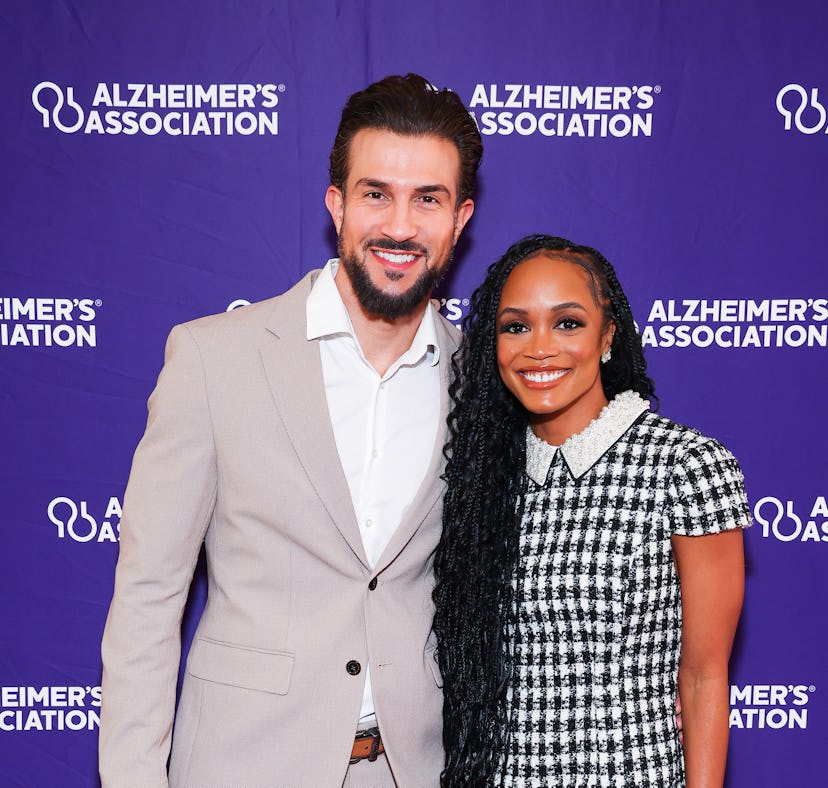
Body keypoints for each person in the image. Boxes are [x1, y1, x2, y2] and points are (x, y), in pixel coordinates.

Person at [99, 73, 480, 788]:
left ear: (459, 219)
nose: (400, 226)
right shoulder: (214, 358)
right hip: (244, 766)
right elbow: (148, 598)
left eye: (426, 199)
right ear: (336, 204)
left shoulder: (481, 381)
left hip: (415, 770)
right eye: (376, 194)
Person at [433, 235, 750, 787]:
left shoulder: (687, 467)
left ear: (607, 337)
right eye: (515, 326)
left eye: (567, 323)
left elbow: (702, 677)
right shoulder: (480, 479)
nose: (538, 347)